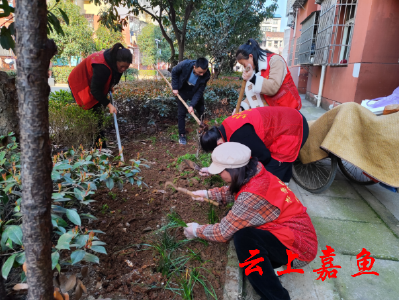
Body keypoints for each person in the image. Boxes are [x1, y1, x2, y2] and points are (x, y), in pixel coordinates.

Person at [184, 142, 318, 300]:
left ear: (234, 171)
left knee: (244, 239)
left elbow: (222, 232)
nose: (218, 175)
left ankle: (276, 296)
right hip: (292, 231)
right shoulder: (255, 171)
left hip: (299, 249)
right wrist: (208, 194)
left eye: (220, 171)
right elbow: (238, 191)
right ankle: (271, 263)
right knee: (236, 220)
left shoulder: (251, 195)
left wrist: (195, 230)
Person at [200, 106, 309, 184]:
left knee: (270, 176)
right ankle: (284, 190)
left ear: (219, 144)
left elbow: (264, 157)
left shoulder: (239, 136)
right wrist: (211, 169)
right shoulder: (225, 127)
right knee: (281, 169)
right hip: (289, 118)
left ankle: (277, 201)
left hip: (293, 127)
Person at [68, 43, 132, 148]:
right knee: (93, 115)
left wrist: (109, 86)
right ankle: (98, 149)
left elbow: (111, 77)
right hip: (80, 81)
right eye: (122, 66)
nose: (124, 69)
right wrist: (109, 104)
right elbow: (95, 90)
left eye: (127, 67)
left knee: (98, 115)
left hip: (93, 83)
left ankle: (99, 146)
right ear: (116, 61)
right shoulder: (102, 67)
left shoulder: (113, 63)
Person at [235, 38, 301, 112]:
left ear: (250, 56)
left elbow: (273, 87)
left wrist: (253, 78)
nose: (244, 68)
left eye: (244, 64)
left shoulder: (276, 60)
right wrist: (242, 107)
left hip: (288, 110)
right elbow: (253, 95)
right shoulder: (255, 69)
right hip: (271, 113)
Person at [171, 57, 211, 145]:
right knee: (181, 113)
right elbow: (174, 71)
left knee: (201, 109)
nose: (201, 74)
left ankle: (203, 129)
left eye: (203, 73)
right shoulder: (185, 64)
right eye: (199, 72)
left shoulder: (206, 75)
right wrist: (175, 87)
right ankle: (182, 135)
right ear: (194, 67)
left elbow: (200, 91)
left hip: (195, 90)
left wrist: (192, 105)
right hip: (183, 89)